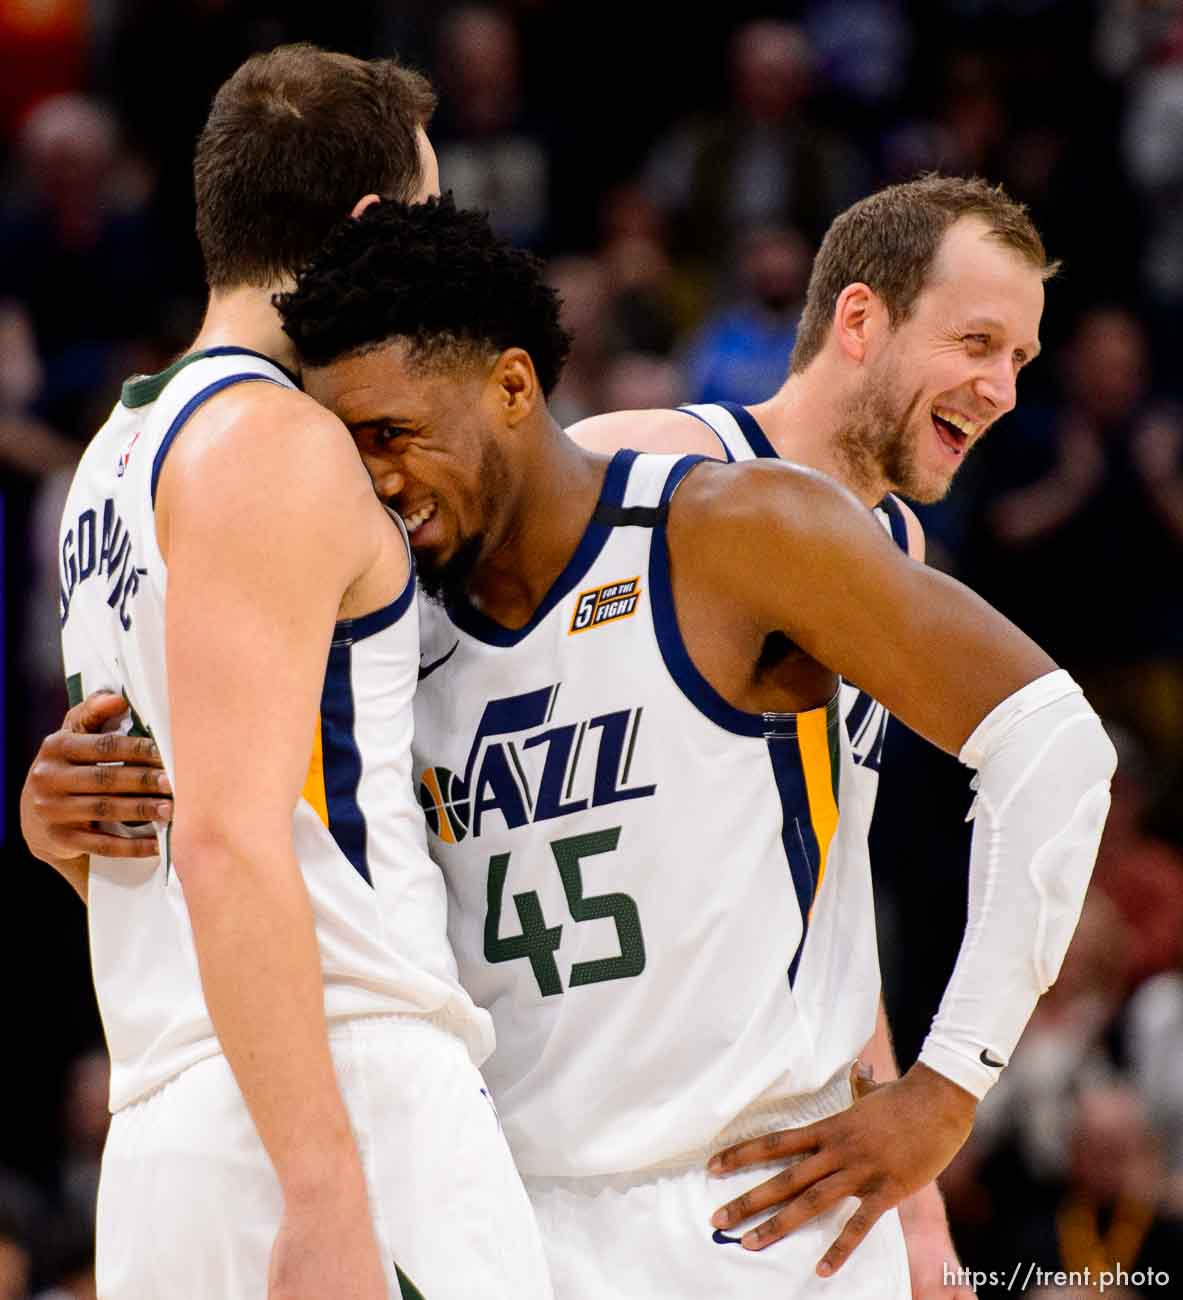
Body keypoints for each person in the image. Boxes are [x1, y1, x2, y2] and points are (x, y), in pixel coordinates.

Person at [267, 194, 1114, 1298]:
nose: (1000, 386)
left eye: (1016, 355)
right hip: (511, 1199)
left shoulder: (772, 526)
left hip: (739, 1197)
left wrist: (937, 1113)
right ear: (859, 320)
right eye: (974, 343)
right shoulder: (506, 544)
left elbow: (829, 873)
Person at [42, 46, 550, 1300]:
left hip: (173, 1121)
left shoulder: (113, 455)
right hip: (335, 1092)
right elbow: (223, 837)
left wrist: (47, 828)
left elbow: (131, 814)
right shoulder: (274, 444)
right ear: (372, 225)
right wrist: (325, 1191)